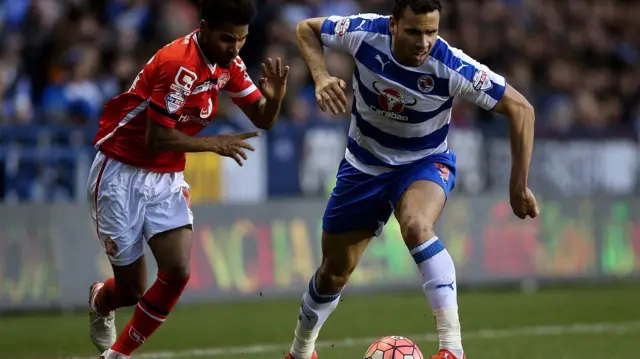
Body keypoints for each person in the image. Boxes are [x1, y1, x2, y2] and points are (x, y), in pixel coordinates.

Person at [288, 0, 539, 358]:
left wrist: (518, 185)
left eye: (431, 32)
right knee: (333, 272)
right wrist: (321, 76)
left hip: (423, 163)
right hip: (363, 166)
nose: (424, 41)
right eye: (414, 31)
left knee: (417, 225)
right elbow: (307, 28)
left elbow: (521, 109)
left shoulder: (452, 65)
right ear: (393, 25)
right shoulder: (363, 33)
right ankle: (300, 350)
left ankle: (452, 348)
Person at [86, 0, 289, 358]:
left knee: (177, 270)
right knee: (132, 290)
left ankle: (115, 355)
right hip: (120, 171)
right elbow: (154, 137)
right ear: (205, 28)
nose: (235, 48)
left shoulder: (228, 64)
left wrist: (275, 100)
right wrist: (212, 143)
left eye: (242, 40)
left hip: (165, 175)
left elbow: (263, 118)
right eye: (228, 38)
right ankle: (101, 299)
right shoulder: (179, 63)